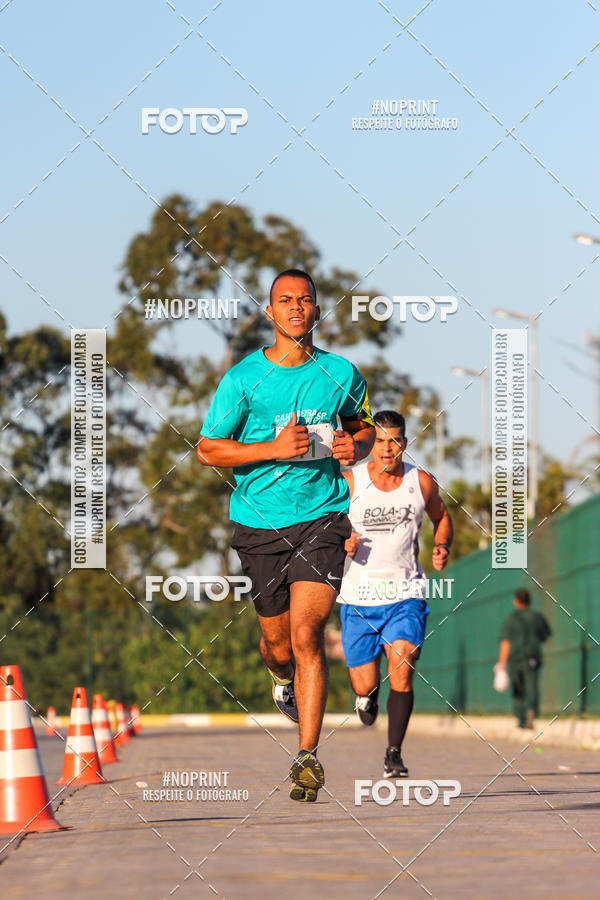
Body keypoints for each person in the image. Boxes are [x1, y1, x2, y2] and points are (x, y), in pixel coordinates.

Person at [197, 268, 375, 801]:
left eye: (306, 300)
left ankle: (307, 758)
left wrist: (356, 447)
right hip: (259, 525)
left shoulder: (341, 372)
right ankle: (280, 680)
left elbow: (361, 426)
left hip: (323, 518)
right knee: (277, 645)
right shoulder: (243, 379)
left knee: (307, 637)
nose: (296, 307)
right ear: (270, 313)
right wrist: (272, 449)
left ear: (318, 312)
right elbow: (208, 449)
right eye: (285, 300)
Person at [339, 410, 453, 778]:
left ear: (404, 443)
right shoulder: (350, 482)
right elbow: (325, 526)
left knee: (402, 670)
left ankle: (394, 754)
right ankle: (366, 696)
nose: (387, 449)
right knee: (365, 682)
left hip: (406, 594)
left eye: (395, 441)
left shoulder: (421, 482)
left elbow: (442, 516)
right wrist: (342, 540)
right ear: (371, 442)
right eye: (381, 440)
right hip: (358, 598)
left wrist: (442, 544)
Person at [496, 588, 552, 729]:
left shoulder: (511, 618)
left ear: (516, 601)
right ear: (529, 601)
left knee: (518, 688)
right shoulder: (537, 617)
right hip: (533, 657)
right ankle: (531, 711)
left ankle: (521, 719)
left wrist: (501, 663)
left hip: (516, 658)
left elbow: (505, 642)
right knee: (532, 686)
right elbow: (545, 637)